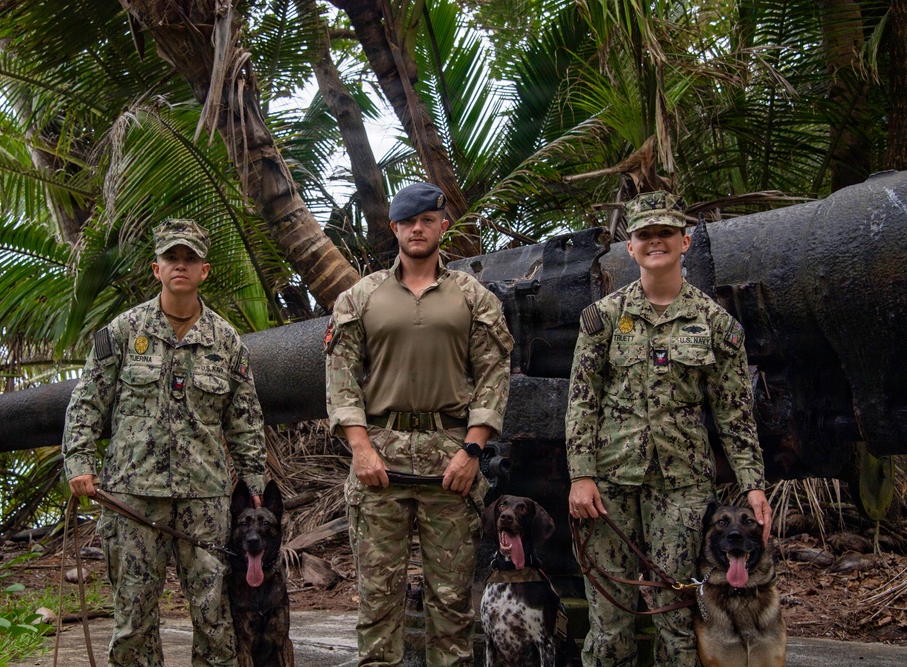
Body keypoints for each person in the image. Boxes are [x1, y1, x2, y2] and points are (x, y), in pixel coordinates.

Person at [565, 191, 771, 667]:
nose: (655, 241)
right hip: (609, 485)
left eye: (666, 233)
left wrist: (754, 485)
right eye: (645, 234)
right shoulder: (604, 318)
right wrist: (581, 475)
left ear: (685, 241)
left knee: (676, 619)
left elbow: (735, 414)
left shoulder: (716, 324)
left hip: (682, 489)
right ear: (630, 246)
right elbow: (582, 401)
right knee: (608, 619)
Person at [325, 182, 514, 666]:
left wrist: (472, 451)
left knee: (451, 608)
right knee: (377, 605)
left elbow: (493, 374)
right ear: (394, 228)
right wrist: (360, 448)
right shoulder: (360, 297)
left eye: (427, 221)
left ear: (441, 227)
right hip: (379, 465)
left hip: (450, 465)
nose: (417, 229)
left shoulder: (472, 297)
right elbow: (341, 377)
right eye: (408, 222)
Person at [63, 218, 267, 667]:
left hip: (204, 499)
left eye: (190, 258)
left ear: (204, 271)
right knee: (133, 617)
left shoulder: (226, 341)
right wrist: (79, 462)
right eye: (171, 257)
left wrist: (255, 483)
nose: (180, 265)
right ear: (156, 269)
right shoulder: (122, 332)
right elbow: (87, 401)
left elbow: (245, 419)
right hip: (134, 496)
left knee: (214, 616)